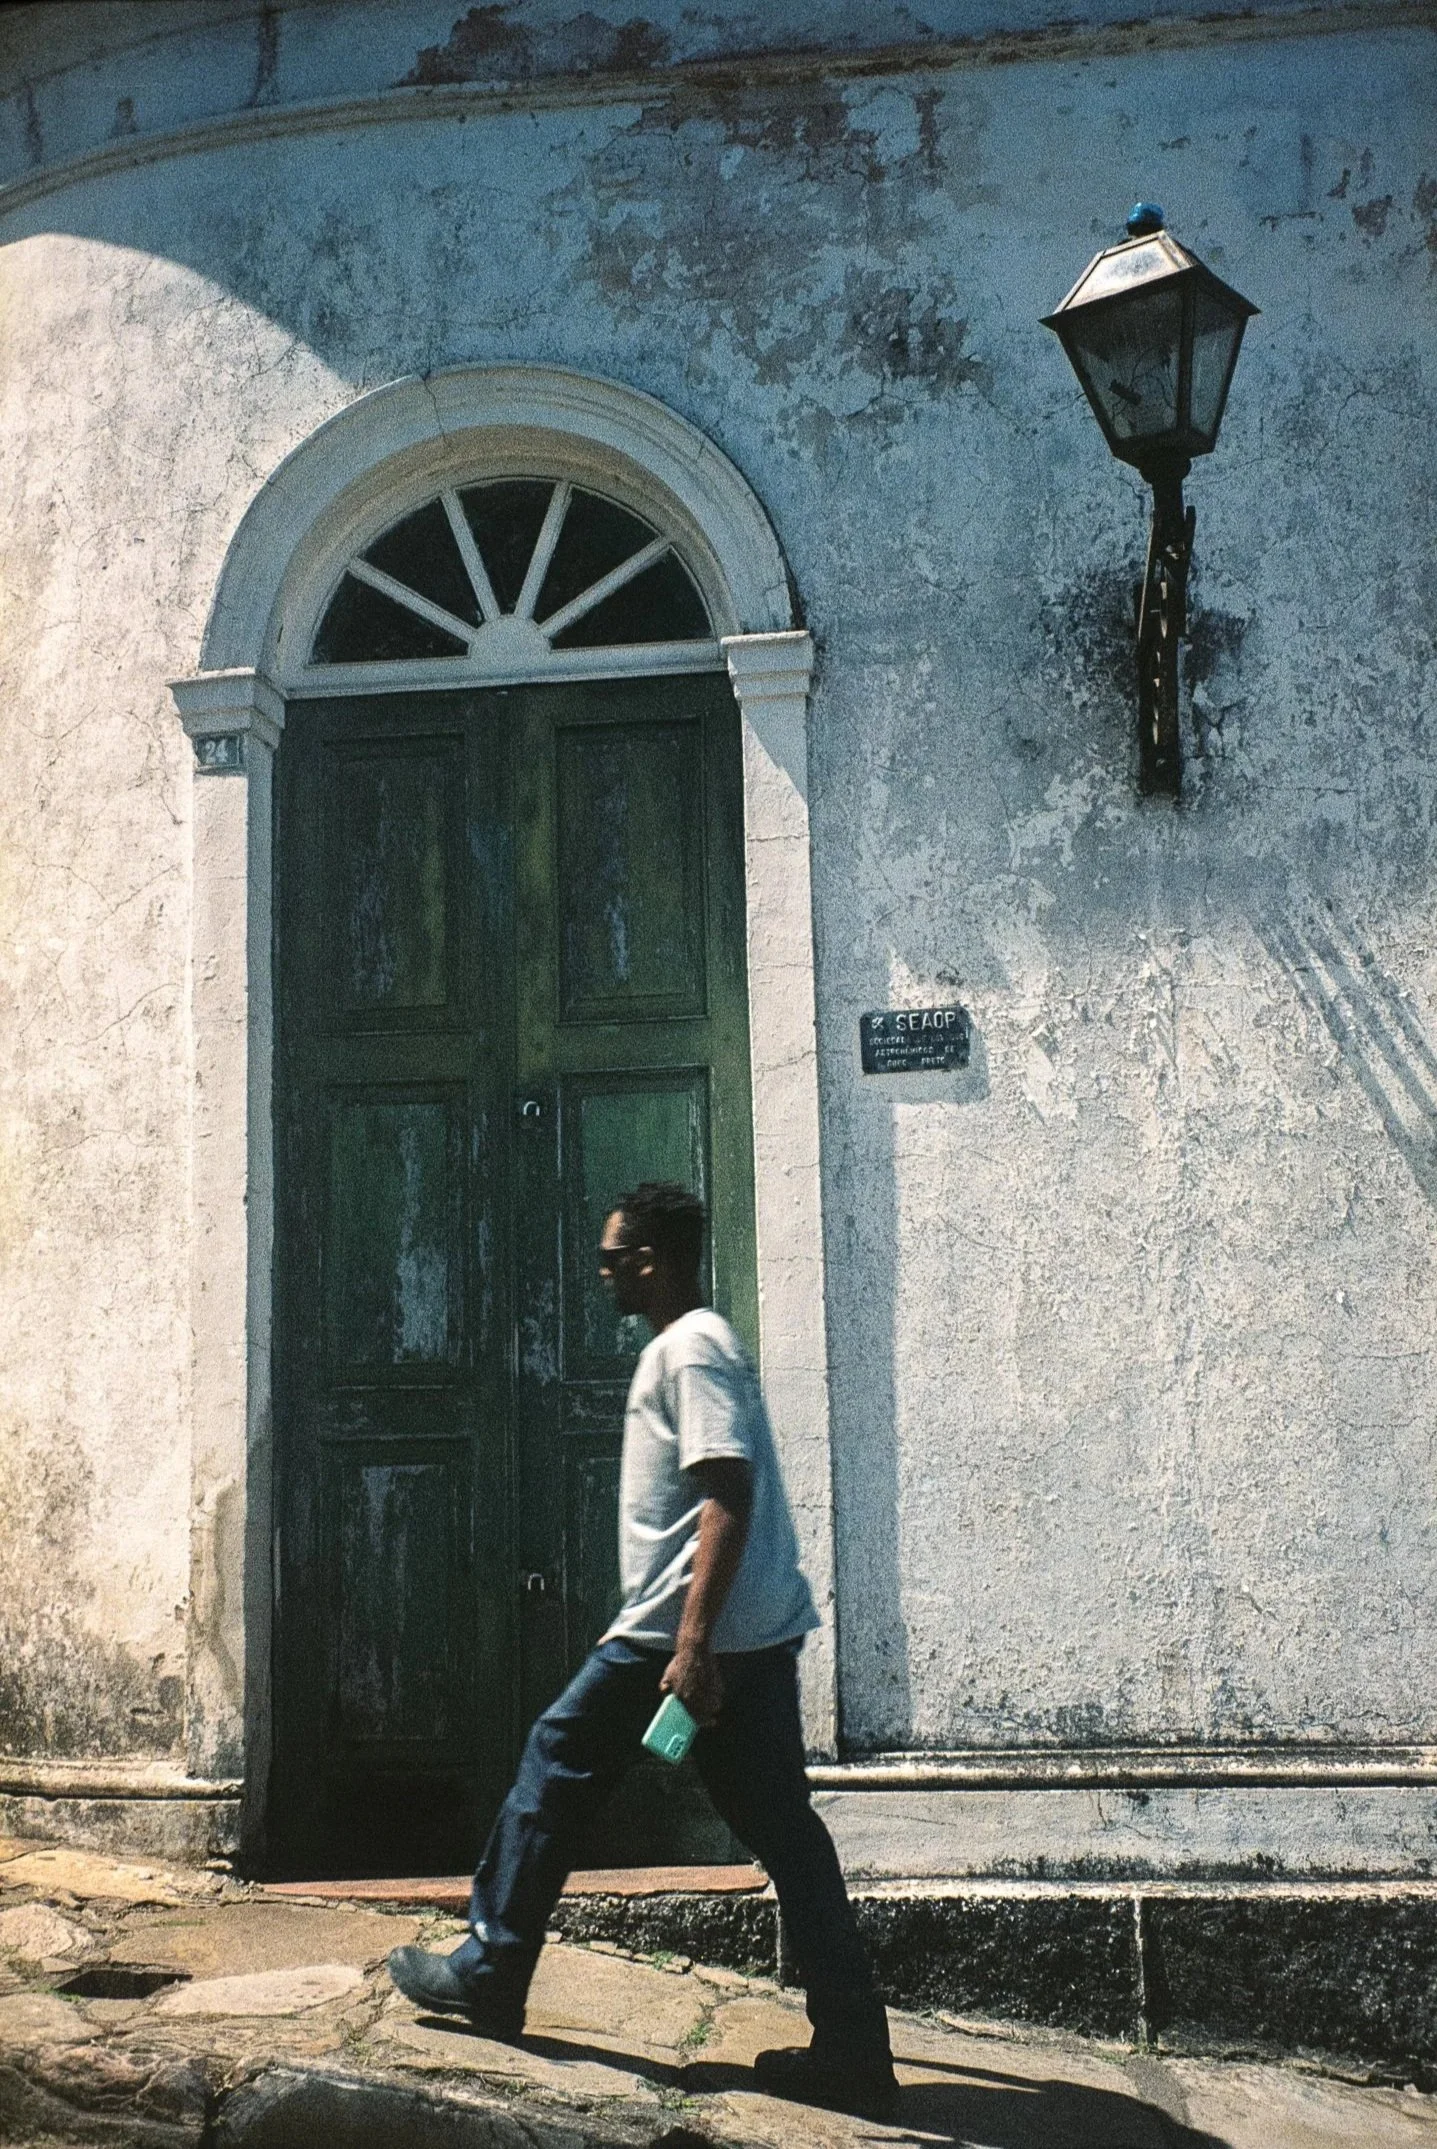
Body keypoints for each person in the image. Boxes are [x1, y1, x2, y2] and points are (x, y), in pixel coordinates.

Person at [388, 1181, 897, 2120]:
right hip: (734, 1634)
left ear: (654, 1258)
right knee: (784, 1829)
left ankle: (491, 1967)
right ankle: (855, 2046)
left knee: (555, 1759)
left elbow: (727, 1492)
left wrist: (691, 1644)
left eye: (615, 1254)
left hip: (689, 1638)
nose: (603, 1268)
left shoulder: (691, 1346)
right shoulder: (692, 1344)